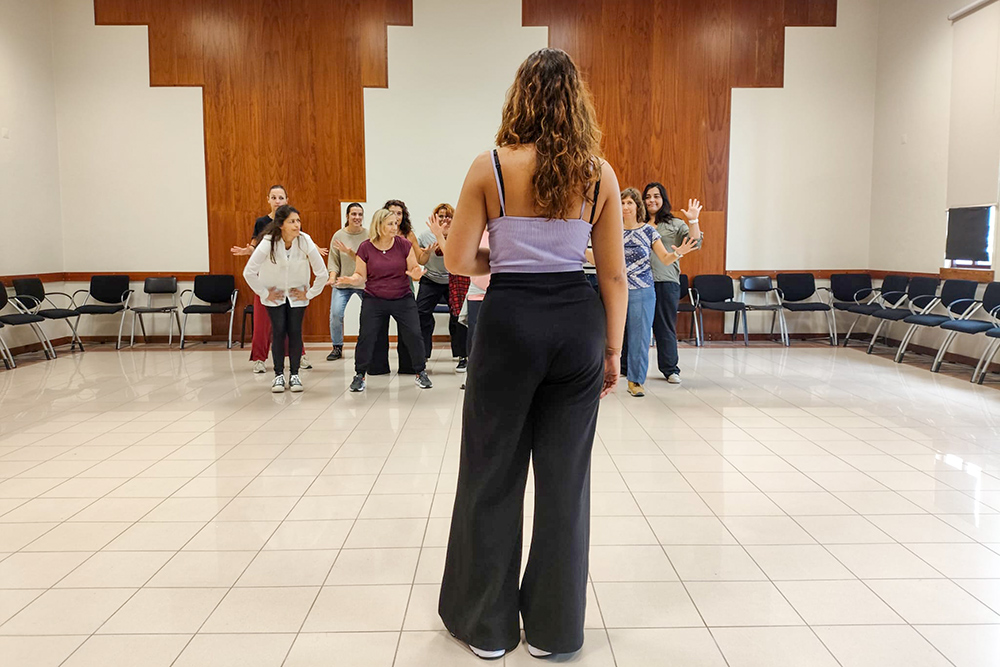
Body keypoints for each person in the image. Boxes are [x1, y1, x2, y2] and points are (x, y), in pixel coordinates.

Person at [438, 47, 627, 660]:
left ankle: (489, 629)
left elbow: (458, 260)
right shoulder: (599, 174)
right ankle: (552, 632)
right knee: (565, 482)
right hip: (577, 324)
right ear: (577, 102)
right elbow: (613, 276)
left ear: (519, 97)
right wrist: (613, 351)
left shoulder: (489, 166)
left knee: (491, 472)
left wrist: (506, 256)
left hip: (508, 322)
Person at [596, 188, 698, 397]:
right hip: (615, 290)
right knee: (608, 336)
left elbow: (665, 258)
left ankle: (635, 381)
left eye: (629, 203)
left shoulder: (649, 231)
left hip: (643, 290)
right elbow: (598, 257)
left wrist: (678, 252)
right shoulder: (611, 230)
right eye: (622, 203)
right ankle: (603, 378)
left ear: (637, 206)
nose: (625, 207)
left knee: (640, 337)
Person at [336, 208, 433, 391]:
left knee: (414, 334)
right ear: (379, 226)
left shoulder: (404, 244)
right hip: (374, 299)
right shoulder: (365, 247)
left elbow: (414, 269)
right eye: (390, 224)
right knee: (367, 336)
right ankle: (359, 375)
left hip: (402, 298)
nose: (395, 227)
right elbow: (360, 275)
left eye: (395, 223)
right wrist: (351, 279)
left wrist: (416, 274)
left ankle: (421, 372)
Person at [243, 206, 329, 393]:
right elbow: (248, 272)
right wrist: (264, 293)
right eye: (292, 221)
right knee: (279, 331)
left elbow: (322, 273)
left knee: (295, 331)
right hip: (275, 296)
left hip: (298, 295)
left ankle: (295, 375)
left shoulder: (305, 240)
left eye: (298, 221)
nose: (297, 225)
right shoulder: (268, 242)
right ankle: (279, 375)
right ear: (281, 225)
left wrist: (310, 293)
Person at [230, 184, 316, 373]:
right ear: (268, 200)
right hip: (268, 280)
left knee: (292, 325)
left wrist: (314, 251)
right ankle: (259, 359)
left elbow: (301, 243)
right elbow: (255, 245)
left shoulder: (294, 222)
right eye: (274, 197)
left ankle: (298, 356)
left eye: (281, 197)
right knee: (263, 323)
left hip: (290, 280)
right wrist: (249, 250)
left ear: (287, 200)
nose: (277, 201)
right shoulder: (262, 222)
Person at [644, 182, 702, 384]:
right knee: (633, 326)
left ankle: (670, 369)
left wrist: (693, 220)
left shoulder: (675, 224)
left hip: (665, 281)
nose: (651, 200)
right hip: (637, 283)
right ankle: (626, 367)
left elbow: (695, 242)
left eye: (656, 196)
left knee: (664, 327)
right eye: (648, 197)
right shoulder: (636, 223)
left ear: (663, 199)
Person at [370, 199, 420, 375]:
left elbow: (417, 261)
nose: (396, 218)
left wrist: (417, 270)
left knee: (408, 329)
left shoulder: (407, 237)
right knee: (377, 329)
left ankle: (408, 366)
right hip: (379, 291)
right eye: (392, 214)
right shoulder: (373, 240)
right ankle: (378, 367)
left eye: (399, 214)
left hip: (403, 289)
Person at [416, 204, 468, 370]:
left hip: (453, 280)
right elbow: (419, 259)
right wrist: (426, 252)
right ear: (435, 218)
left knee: (458, 316)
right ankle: (423, 354)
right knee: (421, 312)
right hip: (430, 279)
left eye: (449, 216)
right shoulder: (425, 236)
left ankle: (462, 355)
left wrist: (444, 237)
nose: (445, 219)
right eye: (441, 216)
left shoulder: (458, 235)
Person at [326, 203, 367, 361]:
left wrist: (350, 252)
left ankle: (367, 346)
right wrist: (332, 277)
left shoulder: (369, 235)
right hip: (343, 284)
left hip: (364, 283)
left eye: (360, 214)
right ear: (347, 216)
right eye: (354, 214)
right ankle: (337, 347)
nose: (357, 217)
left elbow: (367, 262)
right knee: (336, 314)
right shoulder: (338, 236)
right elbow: (333, 261)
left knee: (369, 316)